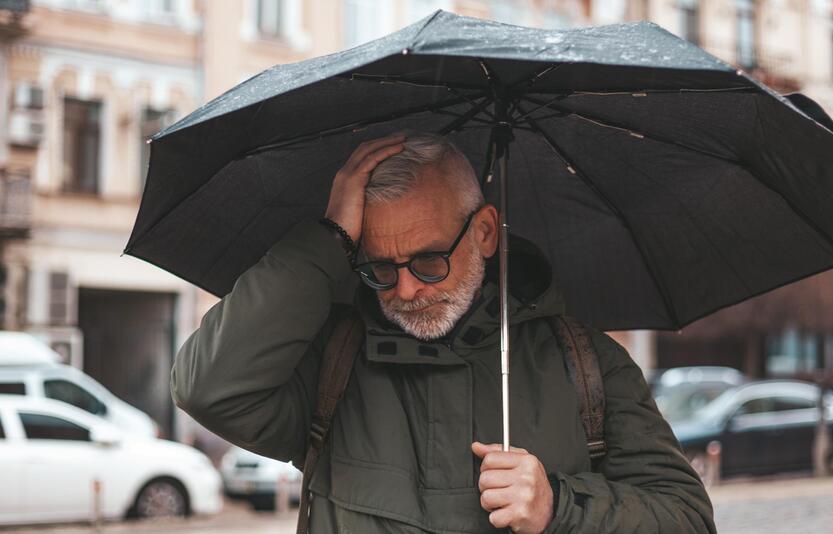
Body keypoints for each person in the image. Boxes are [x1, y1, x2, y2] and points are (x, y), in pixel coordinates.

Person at [170, 131, 716, 533]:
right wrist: (328, 238)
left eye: (429, 261)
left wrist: (560, 506)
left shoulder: (588, 364)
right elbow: (209, 389)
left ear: (483, 232)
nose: (406, 290)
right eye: (380, 268)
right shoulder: (335, 362)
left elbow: (687, 519)